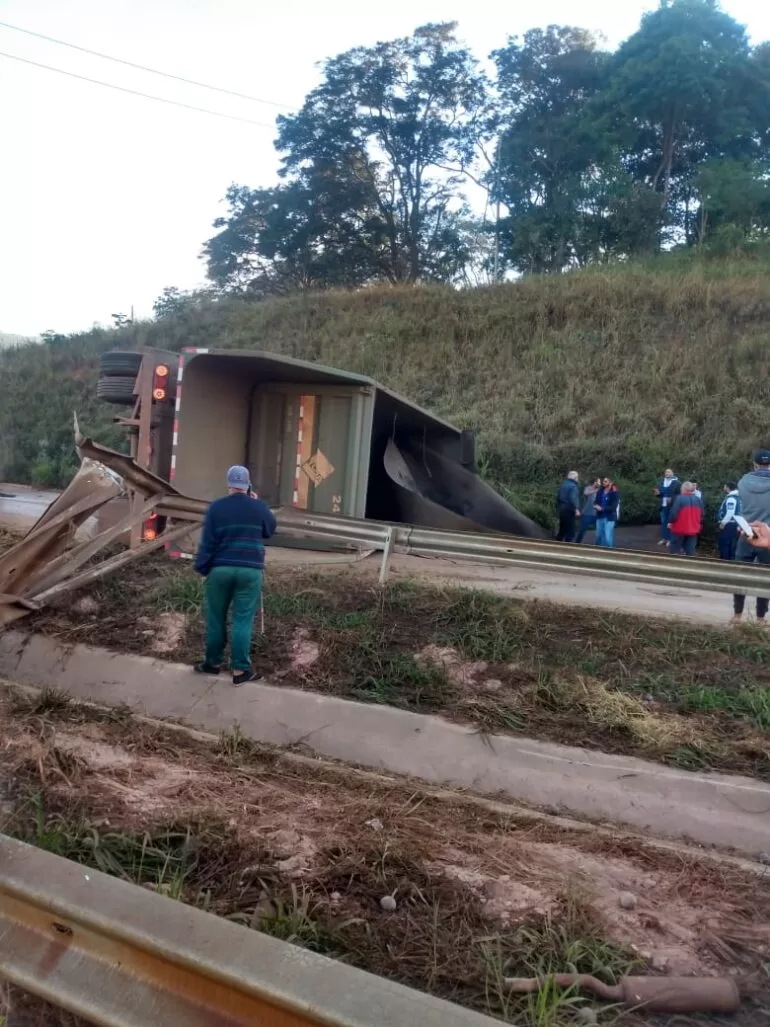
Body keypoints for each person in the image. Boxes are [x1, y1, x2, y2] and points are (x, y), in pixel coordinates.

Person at [194, 465, 277, 685]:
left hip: (220, 570)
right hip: (250, 570)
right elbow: (269, 529)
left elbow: (207, 543)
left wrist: (202, 568)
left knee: (216, 618)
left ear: (229, 484)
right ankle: (240, 670)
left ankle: (212, 664)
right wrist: (257, 503)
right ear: (247, 484)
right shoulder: (258, 507)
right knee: (242, 620)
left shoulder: (216, 508)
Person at [732, 450, 770, 626]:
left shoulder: (743, 482)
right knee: (765, 577)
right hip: (767, 537)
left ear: (755, 464)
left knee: (740, 574)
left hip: (746, 534)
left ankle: (737, 615)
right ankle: (761, 618)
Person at [667, 482, 703, 556]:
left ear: (684, 489)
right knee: (690, 551)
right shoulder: (698, 499)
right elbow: (702, 515)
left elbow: (674, 513)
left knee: (675, 550)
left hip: (679, 529)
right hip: (693, 529)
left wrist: (670, 522)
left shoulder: (679, 498)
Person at [653, 468, 680, 546]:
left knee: (670, 523)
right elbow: (660, 492)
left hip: (672, 506)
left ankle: (670, 539)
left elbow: (679, 494)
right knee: (663, 522)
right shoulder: (662, 482)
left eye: (669, 472)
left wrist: (671, 498)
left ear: (672, 473)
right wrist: (657, 493)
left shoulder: (677, 482)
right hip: (663, 506)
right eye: (666, 472)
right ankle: (664, 538)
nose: (667, 473)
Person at [716, 482, 741, 561]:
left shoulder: (731, 498)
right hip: (735, 524)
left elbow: (730, 512)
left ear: (727, 487)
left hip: (729, 525)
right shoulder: (738, 497)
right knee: (731, 545)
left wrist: (723, 523)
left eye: (725, 486)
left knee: (725, 544)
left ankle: (725, 561)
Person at [555, 470, 581, 543]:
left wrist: (558, 508)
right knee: (570, 531)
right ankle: (568, 547)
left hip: (562, 508)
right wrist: (576, 509)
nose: (578, 479)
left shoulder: (563, 485)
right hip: (569, 509)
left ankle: (556, 544)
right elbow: (573, 498)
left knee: (562, 529)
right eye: (577, 477)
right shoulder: (573, 486)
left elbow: (558, 497)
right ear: (575, 478)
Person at [594, 477, 620, 548]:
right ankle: (598, 550)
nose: (603, 483)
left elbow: (614, 506)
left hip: (609, 517)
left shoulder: (615, 492)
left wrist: (602, 508)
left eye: (605, 481)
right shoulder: (600, 491)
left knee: (607, 535)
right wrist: (595, 505)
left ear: (610, 483)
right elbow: (596, 501)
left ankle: (609, 550)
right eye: (603, 481)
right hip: (600, 516)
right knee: (598, 535)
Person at [576, 478, 600, 543]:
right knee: (582, 530)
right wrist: (596, 490)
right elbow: (585, 493)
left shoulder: (600, 490)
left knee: (600, 530)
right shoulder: (588, 488)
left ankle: (598, 545)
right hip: (587, 513)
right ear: (595, 482)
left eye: (600, 482)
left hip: (596, 514)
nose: (599, 483)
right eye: (598, 482)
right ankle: (577, 543)